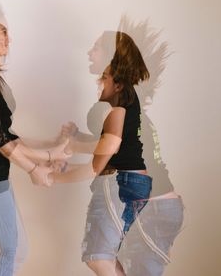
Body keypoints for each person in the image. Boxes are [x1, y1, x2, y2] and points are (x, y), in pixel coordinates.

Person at [0, 20, 70, 276]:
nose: (10, 39)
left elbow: (6, 135)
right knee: (8, 250)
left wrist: (50, 151)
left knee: (17, 250)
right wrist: (35, 167)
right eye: (3, 33)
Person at [52, 31, 152, 276]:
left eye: (95, 48)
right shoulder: (124, 95)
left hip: (122, 182)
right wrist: (78, 139)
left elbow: (110, 147)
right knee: (105, 256)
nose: (90, 52)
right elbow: (113, 143)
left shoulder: (121, 98)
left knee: (99, 257)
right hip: (131, 181)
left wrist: (58, 173)